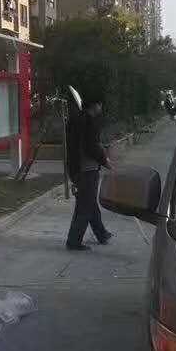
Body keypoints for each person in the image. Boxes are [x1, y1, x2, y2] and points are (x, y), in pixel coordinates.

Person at [65, 99, 114, 251]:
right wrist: (105, 161)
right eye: (99, 104)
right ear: (94, 105)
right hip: (87, 169)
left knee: (89, 202)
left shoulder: (75, 120)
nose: (101, 106)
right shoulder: (88, 122)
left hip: (76, 167)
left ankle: (101, 234)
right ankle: (73, 241)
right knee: (85, 205)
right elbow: (92, 147)